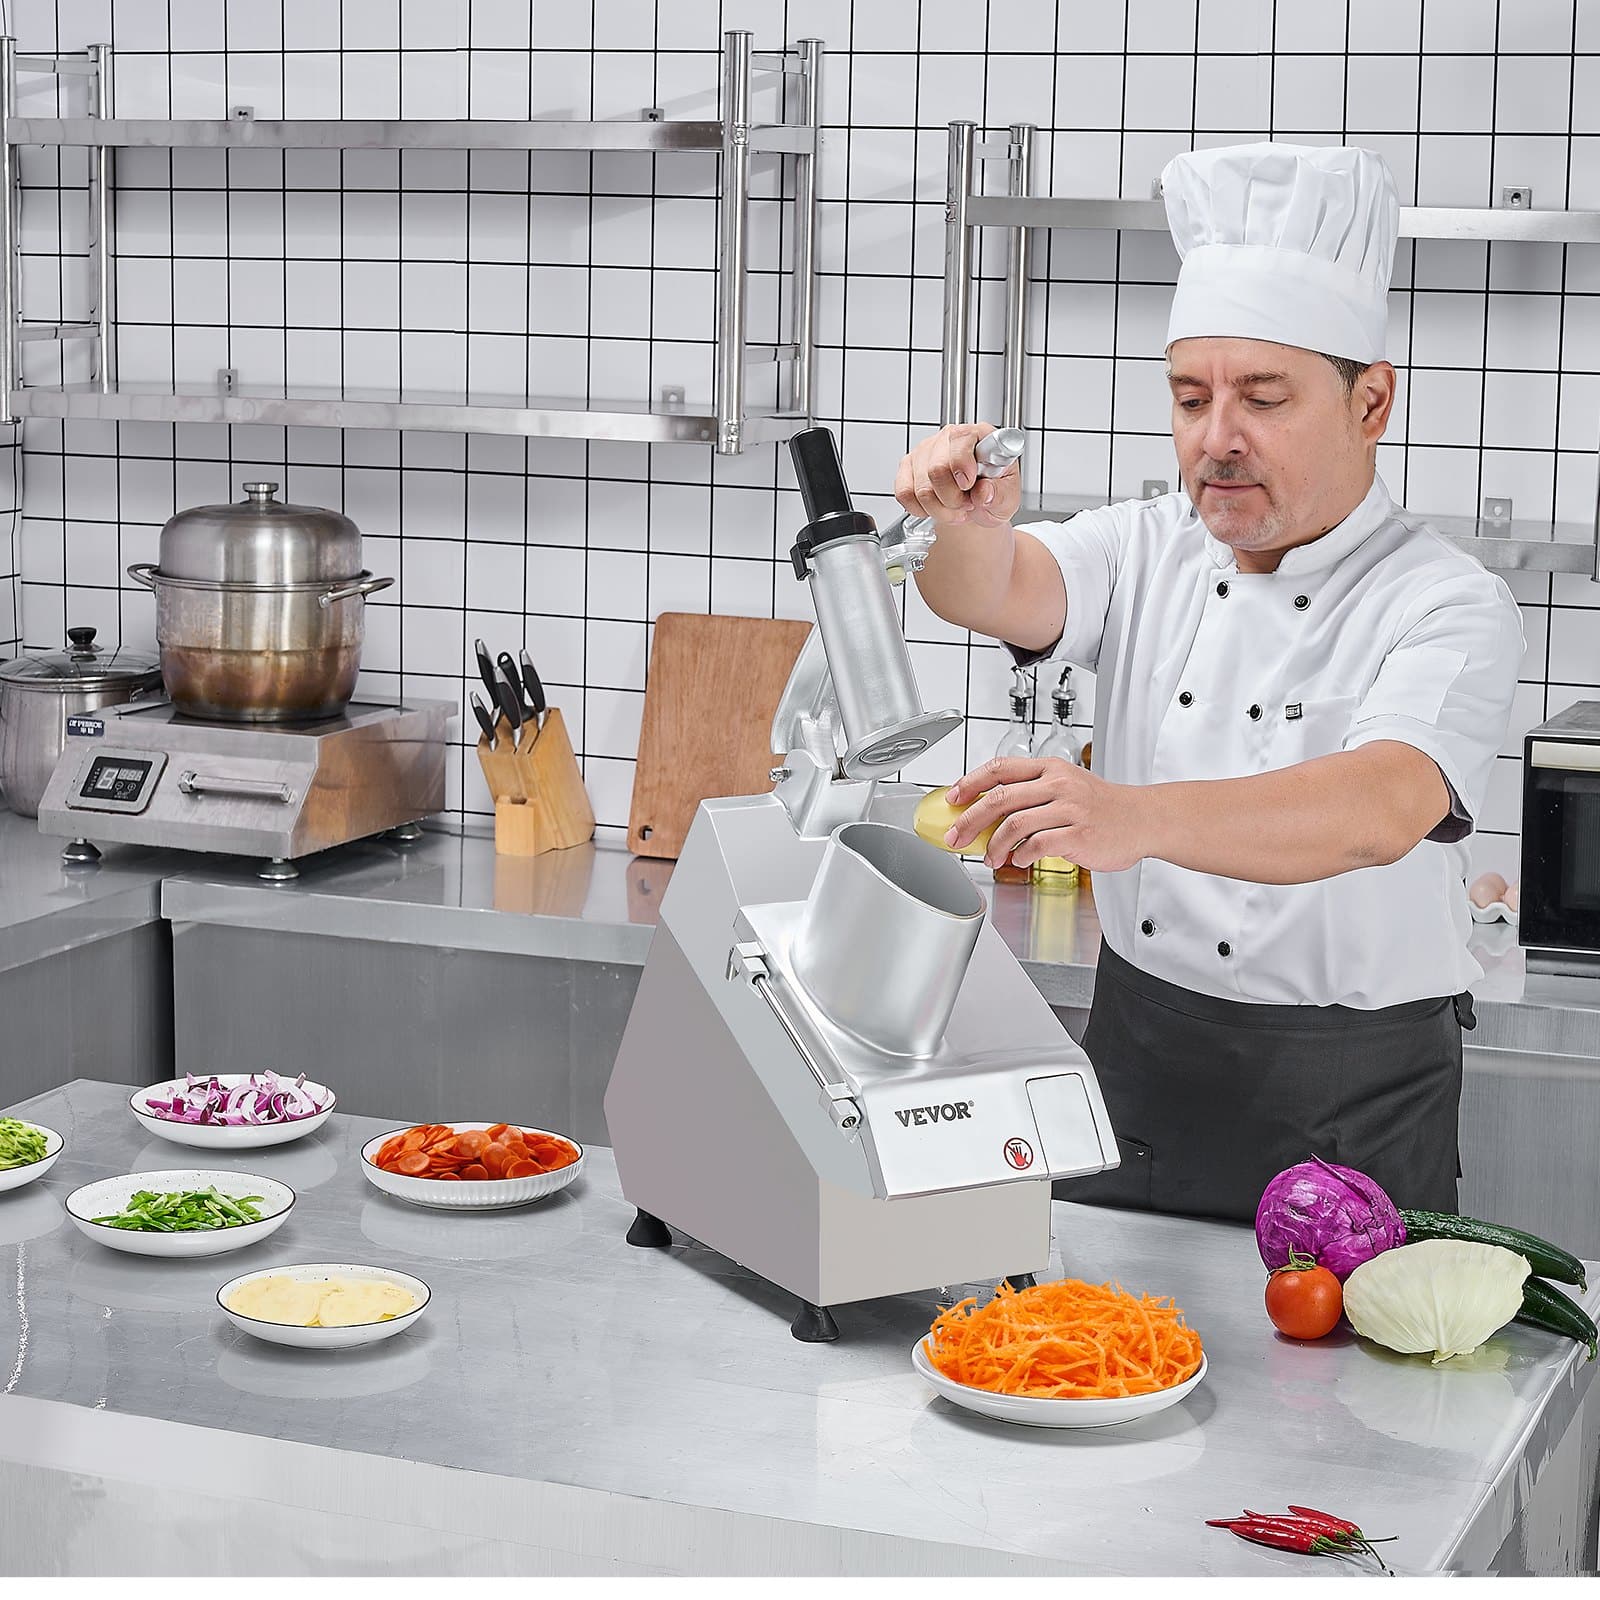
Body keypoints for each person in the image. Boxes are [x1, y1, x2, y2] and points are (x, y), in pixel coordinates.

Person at [894, 142, 1524, 1223]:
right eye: (1190, 399)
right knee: (1099, 1327)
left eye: (1263, 400)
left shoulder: (1446, 601)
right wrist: (962, 525)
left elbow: (1379, 807)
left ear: (1371, 403)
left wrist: (1128, 817)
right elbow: (990, 591)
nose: (1216, 440)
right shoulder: (1147, 547)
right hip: (1142, 1066)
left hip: (1356, 1102)